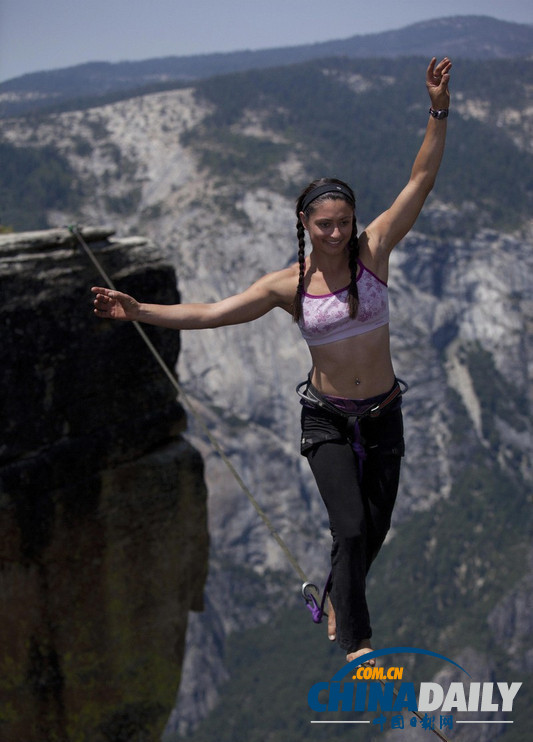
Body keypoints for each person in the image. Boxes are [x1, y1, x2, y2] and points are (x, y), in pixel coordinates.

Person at [91, 57, 451, 664]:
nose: (336, 233)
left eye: (343, 223)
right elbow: (211, 312)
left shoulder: (376, 250)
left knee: (371, 538)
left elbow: (421, 179)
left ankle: (340, 601)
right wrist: (139, 310)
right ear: (305, 225)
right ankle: (358, 647)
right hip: (328, 419)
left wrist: (438, 110)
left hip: (385, 414)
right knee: (353, 530)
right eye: (324, 225)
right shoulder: (289, 286)